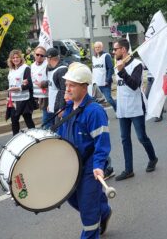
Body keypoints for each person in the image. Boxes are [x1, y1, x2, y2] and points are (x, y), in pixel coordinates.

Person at [57, 63, 112, 238]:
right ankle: (103, 210)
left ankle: (92, 227)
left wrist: (98, 165)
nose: (68, 88)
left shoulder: (94, 111)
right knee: (71, 197)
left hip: (89, 166)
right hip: (72, 164)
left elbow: (102, 143)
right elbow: (61, 136)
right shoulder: (68, 108)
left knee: (88, 210)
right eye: (67, 85)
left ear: (84, 86)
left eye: (72, 85)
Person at [113, 38, 158, 181]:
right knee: (125, 139)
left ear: (124, 50)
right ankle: (128, 170)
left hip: (135, 107)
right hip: (122, 109)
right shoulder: (118, 65)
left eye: (116, 49)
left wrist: (122, 72)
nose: (114, 52)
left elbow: (134, 85)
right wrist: (119, 70)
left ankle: (153, 158)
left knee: (141, 137)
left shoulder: (137, 64)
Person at [7, 49, 35, 135]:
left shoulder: (26, 68)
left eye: (17, 57)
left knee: (28, 119)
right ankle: (15, 139)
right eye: (13, 58)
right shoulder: (11, 70)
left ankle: (34, 136)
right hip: (14, 100)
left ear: (21, 58)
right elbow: (10, 85)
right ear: (11, 59)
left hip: (24, 99)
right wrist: (8, 98)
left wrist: (19, 88)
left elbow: (29, 84)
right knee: (14, 120)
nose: (15, 59)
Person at [40, 48, 67, 128]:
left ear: (49, 58)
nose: (46, 60)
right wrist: (50, 104)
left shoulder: (62, 69)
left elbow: (63, 90)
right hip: (54, 105)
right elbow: (51, 88)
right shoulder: (50, 69)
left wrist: (62, 108)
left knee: (59, 130)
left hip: (59, 107)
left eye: (46, 58)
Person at [92, 41, 116, 111]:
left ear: (102, 47)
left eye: (98, 47)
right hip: (96, 83)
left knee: (109, 99)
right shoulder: (93, 57)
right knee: (94, 101)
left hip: (105, 83)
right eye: (96, 47)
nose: (97, 49)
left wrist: (107, 79)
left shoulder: (106, 56)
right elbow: (93, 70)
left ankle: (117, 110)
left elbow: (110, 68)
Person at [30, 46, 50, 129]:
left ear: (45, 57)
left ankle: (47, 135)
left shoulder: (48, 65)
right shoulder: (32, 65)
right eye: (37, 54)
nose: (39, 57)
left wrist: (43, 84)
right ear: (34, 54)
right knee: (48, 118)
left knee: (46, 119)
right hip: (38, 96)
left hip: (47, 96)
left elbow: (53, 81)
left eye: (42, 55)